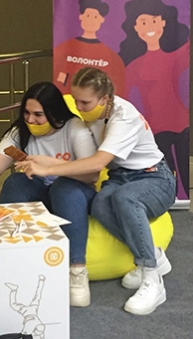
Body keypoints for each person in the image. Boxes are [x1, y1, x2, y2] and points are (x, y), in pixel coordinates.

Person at [17, 67, 175, 315]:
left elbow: (97, 164)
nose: (78, 108)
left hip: (154, 176)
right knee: (100, 204)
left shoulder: (123, 117)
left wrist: (48, 168)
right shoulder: (90, 116)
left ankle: (152, 277)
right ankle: (154, 254)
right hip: (120, 176)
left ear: (104, 99)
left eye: (85, 103)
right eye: (75, 100)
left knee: (125, 199)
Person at [0, 82, 98, 307]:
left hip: (73, 193)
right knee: (16, 181)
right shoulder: (20, 132)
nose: (30, 120)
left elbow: (91, 174)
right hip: (41, 193)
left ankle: (77, 270)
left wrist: (50, 167)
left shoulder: (75, 129)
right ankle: (4, 257)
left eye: (38, 115)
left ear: (54, 112)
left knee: (64, 188)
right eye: (26, 113)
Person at [118, 0, 190, 197]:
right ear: (135, 27)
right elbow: (122, 98)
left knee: (186, 171)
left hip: (181, 124)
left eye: (154, 20)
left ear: (163, 22)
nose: (149, 26)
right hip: (156, 130)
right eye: (143, 22)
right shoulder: (133, 66)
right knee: (166, 176)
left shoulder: (176, 56)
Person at [53, 0, 127, 95]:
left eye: (95, 17)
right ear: (81, 16)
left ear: (102, 20)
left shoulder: (113, 58)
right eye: (88, 15)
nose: (91, 21)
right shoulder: (62, 49)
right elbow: (58, 81)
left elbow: (117, 91)